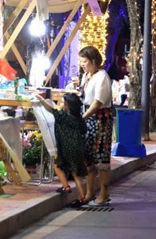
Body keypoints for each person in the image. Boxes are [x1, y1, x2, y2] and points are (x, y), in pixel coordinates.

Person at [78, 46, 113, 206]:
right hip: (87, 118)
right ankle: (90, 191)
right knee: (88, 157)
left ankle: (104, 193)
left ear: (93, 61)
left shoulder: (102, 77)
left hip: (100, 120)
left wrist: (83, 117)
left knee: (101, 157)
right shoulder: (86, 76)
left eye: (84, 61)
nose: (82, 64)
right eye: (81, 61)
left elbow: (97, 102)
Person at [38, 94, 88, 205]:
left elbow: (50, 109)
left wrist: (41, 99)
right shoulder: (79, 118)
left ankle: (66, 186)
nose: (62, 104)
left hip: (66, 147)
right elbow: (84, 130)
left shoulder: (63, 116)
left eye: (63, 103)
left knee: (57, 165)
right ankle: (82, 197)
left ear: (67, 106)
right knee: (77, 174)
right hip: (78, 147)